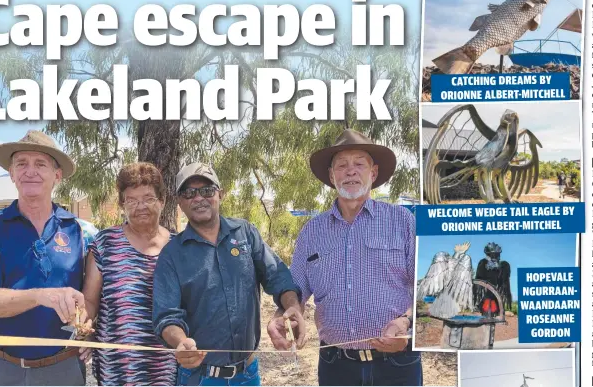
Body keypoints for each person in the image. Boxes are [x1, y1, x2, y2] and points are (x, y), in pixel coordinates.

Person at [267, 129, 422, 386]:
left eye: (359, 164)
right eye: (342, 165)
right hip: (335, 366)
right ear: (331, 175)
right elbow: (296, 288)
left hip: (397, 364)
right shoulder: (312, 232)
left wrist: (407, 322)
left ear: (373, 173)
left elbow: (426, 287)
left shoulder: (403, 221)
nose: (350, 171)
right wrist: (286, 312)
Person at [152, 162, 305, 386]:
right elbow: (166, 316)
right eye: (189, 193)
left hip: (248, 374)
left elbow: (279, 278)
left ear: (220, 194)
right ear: (179, 201)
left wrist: (291, 305)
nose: (198, 198)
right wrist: (181, 342)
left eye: (207, 190)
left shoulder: (246, 233)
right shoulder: (172, 255)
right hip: (201, 378)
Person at [0, 130, 98, 386]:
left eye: (40, 164)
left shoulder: (84, 232)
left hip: (63, 369)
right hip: (2, 369)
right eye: (21, 164)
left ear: (57, 175)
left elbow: (91, 299)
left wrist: (87, 330)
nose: (30, 171)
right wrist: (41, 296)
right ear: (12, 174)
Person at [82, 162, 179, 385]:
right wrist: (83, 328)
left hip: (165, 366)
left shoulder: (178, 247)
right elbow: (90, 301)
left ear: (162, 201)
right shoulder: (105, 243)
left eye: (148, 198)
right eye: (131, 200)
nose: (140, 206)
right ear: (122, 205)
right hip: (117, 367)